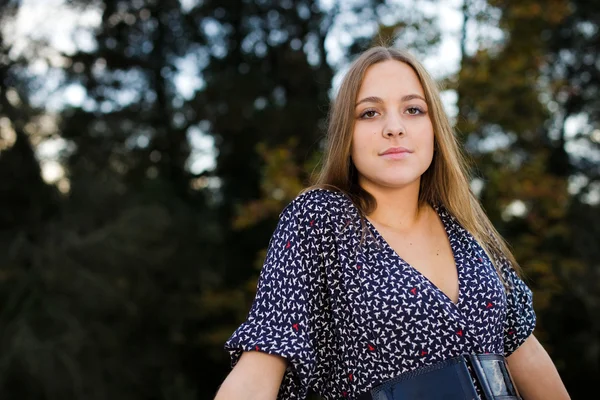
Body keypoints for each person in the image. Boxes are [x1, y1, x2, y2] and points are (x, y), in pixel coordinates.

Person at [213, 45, 571, 400]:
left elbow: (524, 349)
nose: (394, 128)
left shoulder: (467, 226)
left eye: (413, 109)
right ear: (346, 136)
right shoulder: (320, 219)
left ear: (435, 128)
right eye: (369, 113)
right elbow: (262, 361)